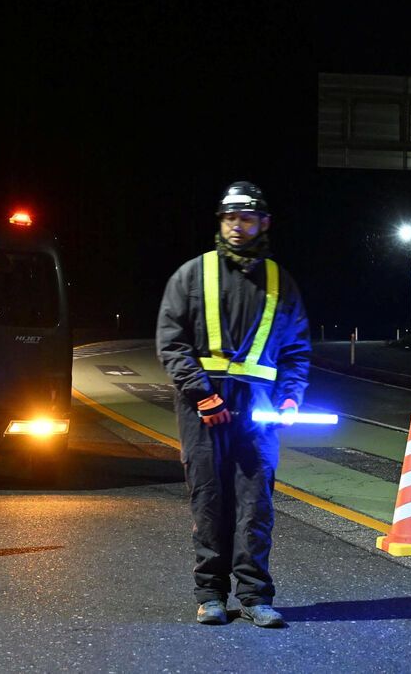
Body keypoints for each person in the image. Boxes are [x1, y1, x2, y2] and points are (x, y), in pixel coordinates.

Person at [156, 181, 311, 628]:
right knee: (209, 500)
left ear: (264, 223)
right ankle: (210, 595)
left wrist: (290, 397)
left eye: (246, 218)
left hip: (258, 410)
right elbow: (171, 342)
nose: (237, 226)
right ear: (221, 222)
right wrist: (203, 395)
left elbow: (296, 351)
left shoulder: (281, 282)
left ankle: (255, 596)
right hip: (202, 407)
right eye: (230, 218)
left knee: (255, 504)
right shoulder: (192, 275)